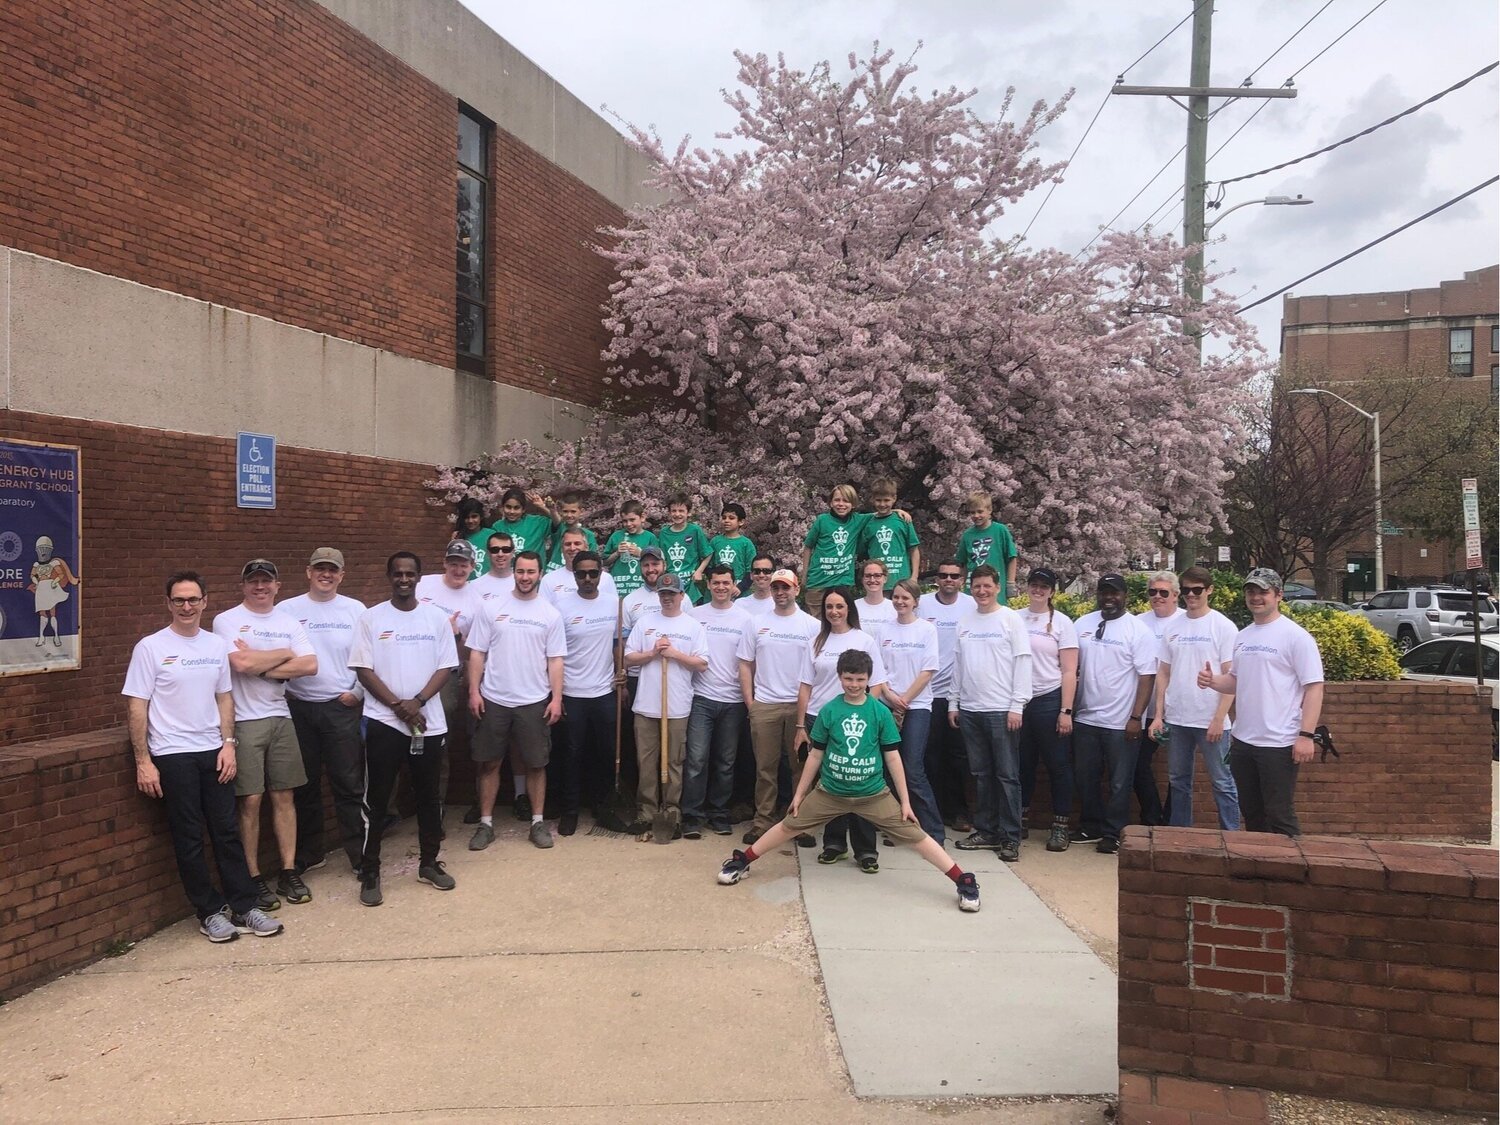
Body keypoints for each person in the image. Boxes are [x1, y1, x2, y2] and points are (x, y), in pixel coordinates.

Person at [716, 650, 981, 915]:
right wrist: (799, 794)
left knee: (915, 835)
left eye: (860, 679)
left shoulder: (879, 712)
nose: (854, 685)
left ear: (869, 679)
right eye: (848, 679)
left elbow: (893, 759)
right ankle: (743, 860)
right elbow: (815, 755)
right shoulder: (830, 710)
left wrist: (905, 801)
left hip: (873, 794)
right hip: (830, 792)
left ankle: (963, 880)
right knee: (789, 825)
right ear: (840, 677)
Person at [123, 571, 283, 942]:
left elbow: (225, 697)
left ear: (205, 602)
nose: (186, 606)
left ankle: (245, 906)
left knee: (227, 832)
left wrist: (229, 743)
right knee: (189, 836)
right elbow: (137, 706)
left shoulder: (215, 645)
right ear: (168, 604)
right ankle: (210, 911)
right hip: (173, 755)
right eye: (179, 600)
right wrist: (143, 760)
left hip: (214, 751)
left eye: (193, 599)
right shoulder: (151, 647)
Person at [347, 552, 460, 906]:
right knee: (378, 799)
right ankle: (371, 872)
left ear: (419, 577)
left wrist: (419, 702)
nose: (404, 579)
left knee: (429, 797)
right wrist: (399, 705)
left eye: (410, 574)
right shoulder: (371, 618)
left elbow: (446, 667)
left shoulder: (436, 619)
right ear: (389, 576)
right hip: (384, 722)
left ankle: (429, 863)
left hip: (428, 723)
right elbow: (363, 669)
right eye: (397, 574)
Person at [212, 559, 317, 911]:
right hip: (243, 720)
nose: (260, 587)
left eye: (266, 581)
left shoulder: (288, 621)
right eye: (253, 581)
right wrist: (285, 654)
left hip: (280, 716)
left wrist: (263, 661)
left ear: (277, 585)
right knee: (251, 801)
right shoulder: (226, 620)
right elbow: (239, 664)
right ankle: (253, 877)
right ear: (243, 586)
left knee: (284, 796)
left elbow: (310, 665)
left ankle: (287, 871)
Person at [1198, 568, 1324, 838]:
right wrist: (1213, 681)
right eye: (1251, 591)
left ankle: (1292, 872)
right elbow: (1236, 681)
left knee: (1279, 814)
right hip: (1244, 742)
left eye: (1263, 591)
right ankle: (1262, 870)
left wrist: (1305, 735)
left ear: (1278, 595)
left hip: (1278, 743)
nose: (1256, 597)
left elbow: (1313, 687)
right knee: (1252, 812)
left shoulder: (1296, 637)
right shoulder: (1243, 636)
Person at [467, 550, 567, 850]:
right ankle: (486, 825)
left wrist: (556, 698)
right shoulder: (492, 607)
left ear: (539, 574)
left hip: (534, 700)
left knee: (537, 764)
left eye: (531, 572)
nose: (525, 577)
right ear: (514, 571)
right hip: (494, 698)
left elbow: (556, 660)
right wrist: (474, 690)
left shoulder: (550, 613)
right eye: (521, 571)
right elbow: (476, 652)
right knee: (489, 764)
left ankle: (537, 823)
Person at [279, 548, 368, 876]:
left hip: (339, 709)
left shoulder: (355, 610)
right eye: (320, 568)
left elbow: (368, 654)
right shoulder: (287, 610)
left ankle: (359, 854)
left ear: (341, 575)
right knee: (305, 785)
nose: (325, 575)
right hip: (299, 708)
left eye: (332, 570)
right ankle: (310, 852)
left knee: (348, 783)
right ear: (308, 571)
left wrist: (356, 693)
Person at [797, 588, 888, 868]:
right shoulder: (815, 642)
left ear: (849, 607)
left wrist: (867, 715)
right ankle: (834, 843)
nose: (834, 611)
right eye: (828, 607)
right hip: (819, 719)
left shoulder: (865, 640)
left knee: (859, 783)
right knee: (830, 783)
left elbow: (877, 684)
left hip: (856, 721)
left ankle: (865, 850)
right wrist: (800, 725)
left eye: (839, 606)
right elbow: (805, 685)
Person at [950, 565, 1033, 862]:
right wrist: (953, 702)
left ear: (997, 587)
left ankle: (1010, 837)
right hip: (971, 710)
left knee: (1007, 776)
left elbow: (1023, 663)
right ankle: (986, 831)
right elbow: (958, 665)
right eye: (977, 586)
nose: (982, 591)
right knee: (982, 775)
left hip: (1002, 710)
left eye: (987, 586)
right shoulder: (965, 622)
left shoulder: (1010, 620)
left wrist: (1017, 705)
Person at [1072, 573, 1157, 855]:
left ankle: (1113, 832)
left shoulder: (1137, 630)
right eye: (1104, 592)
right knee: (1086, 777)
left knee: (1121, 781)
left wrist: (1136, 718)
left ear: (1125, 596)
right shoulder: (1082, 624)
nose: (1109, 597)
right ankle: (1090, 826)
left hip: (1121, 722)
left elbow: (1147, 677)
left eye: (1115, 593)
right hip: (1085, 718)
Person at [1151, 567, 1240, 831]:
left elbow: (1231, 676)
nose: (1191, 595)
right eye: (1187, 590)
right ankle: (1181, 835)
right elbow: (1163, 672)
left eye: (1197, 590)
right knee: (1178, 781)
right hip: (1177, 720)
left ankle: (1231, 836)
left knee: (1222, 782)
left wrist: (1218, 718)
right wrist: (1158, 715)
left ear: (1209, 590)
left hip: (1211, 721)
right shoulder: (1173, 626)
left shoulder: (1223, 626)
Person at [737, 568, 821, 844]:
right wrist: (751, 703)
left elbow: (818, 669)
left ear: (797, 589)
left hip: (799, 707)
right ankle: (762, 821)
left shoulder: (811, 625)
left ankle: (799, 823)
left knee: (800, 767)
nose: (780, 592)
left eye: (786, 587)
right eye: (776, 588)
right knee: (765, 767)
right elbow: (745, 664)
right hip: (766, 705)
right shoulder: (756, 623)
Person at [624, 573, 710, 835]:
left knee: (675, 761)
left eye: (672, 593)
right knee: (646, 761)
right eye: (663, 593)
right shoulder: (645, 623)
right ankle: (647, 811)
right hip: (646, 705)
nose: (667, 598)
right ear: (658, 595)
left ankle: (672, 810)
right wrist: (652, 653)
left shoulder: (692, 626)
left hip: (677, 705)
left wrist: (675, 654)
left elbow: (703, 663)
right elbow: (628, 658)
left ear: (682, 595)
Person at [552, 551, 620, 836]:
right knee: (571, 755)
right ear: (574, 575)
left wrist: (621, 678)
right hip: (572, 692)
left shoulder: (614, 603)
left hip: (604, 690)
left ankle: (602, 805)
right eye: (582, 574)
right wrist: (556, 694)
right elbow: (554, 653)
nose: (588, 578)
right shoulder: (561, 606)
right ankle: (569, 810)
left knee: (606, 752)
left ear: (601, 574)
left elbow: (618, 643)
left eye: (594, 573)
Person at [682, 564, 753, 838]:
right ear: (708, 585)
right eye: (716, 582)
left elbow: (749, 661)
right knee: (697, 759)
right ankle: (692, 815)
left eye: (726, 582)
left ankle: (719, 813)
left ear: (733, 584)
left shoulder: (745, 618)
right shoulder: (695, 615)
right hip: (701, 698)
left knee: (726, 761)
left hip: (733, 700)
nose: (721, 587)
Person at [414, 540, 482, 813]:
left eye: (463, 564)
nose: (458, 569)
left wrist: (456, 636)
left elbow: (474, 650)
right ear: (444, 563)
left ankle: (435, 808)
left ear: (472, 567)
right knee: (395, 736)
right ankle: (391, 812)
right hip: (410, 667)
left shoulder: (476, 601)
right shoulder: (423, 585)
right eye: (453, 562)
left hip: (446, 677)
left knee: (439, 739)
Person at [1016, 567, 1078, 852]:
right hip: (1020, 701)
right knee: (1022, 764)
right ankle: (1020, 819)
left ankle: (1060, 826)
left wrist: (1065, 711)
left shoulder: (1063, 624)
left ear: (1052, 591)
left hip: (1050, 699)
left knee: (1058, 766)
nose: (1038, 590)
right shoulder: (1015, 619)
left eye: (1044, 586)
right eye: (1034, 584)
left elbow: (1069, 671)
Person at [878, 578, 943, 845]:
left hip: (917, 706)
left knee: (913, 767)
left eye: (906, 598)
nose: (900, 602)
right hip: (887, 704)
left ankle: (933, 831)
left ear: (915, 601)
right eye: (896, 597)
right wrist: (891, 697)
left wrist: (905, 699)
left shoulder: (926, 630)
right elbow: (877, 671)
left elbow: (928, 671)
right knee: (888, 769)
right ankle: (898, 828)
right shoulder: (883, 630)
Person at [920, 561, 976, 831]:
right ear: (937, 580)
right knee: (929, 756)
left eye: (954, 576)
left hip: (959, 695)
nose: (948, 580)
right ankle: (931, 813)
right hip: (927, 694)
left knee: (957, 757)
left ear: (962, 580)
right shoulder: (922, 604)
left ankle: (958, 811)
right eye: (943, 576)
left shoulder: (971, 605)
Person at [1132, 571, 1184, 826]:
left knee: (1179, 770)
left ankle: (1171, 820)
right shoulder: (1137, 622)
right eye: (1153, 592)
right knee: (1137, 765)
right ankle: (1152, 816)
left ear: (1175, 595)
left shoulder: (1187, 621)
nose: (1158, 597)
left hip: (1177, 710)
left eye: (1164, 592)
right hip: (1145, 709)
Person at [800, 484, 867, 619]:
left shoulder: (858, 520)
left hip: (841, 581)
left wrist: (899, 512)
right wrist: (804, 574)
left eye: (846, 500)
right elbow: (808, 546)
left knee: (839, 620)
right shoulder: (822, 520)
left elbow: (883, 513)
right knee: (815, 623)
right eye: (837, 500)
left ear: (853, 504)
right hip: (818, 581)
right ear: (830, 502)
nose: (841, 504)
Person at [856, 478, 920, 590]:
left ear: (894, 498)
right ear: (872, 499)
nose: (882, 504)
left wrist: (914, 577)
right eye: (878, 500)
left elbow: (914, 549)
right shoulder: (868, 523)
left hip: (902, 581)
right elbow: (861, 550)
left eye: (886, 500)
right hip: (877, 583)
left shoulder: (903, 520)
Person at [956, 491, 1018, 600]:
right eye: (972, 512)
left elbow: (1012, 557)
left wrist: (1010, 583)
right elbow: (963, 563)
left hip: (995, 586)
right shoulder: (967, 535)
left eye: (980, 511)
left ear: (989, 510)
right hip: (972, 588)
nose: (976, 516)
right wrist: (961, 583)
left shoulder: (1000, 530)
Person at [656, 493, 711, 605]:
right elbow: (661, 558)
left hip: (691, 585)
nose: (677, 514)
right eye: (674, 511)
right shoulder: (664, 533)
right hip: (671, 584)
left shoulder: (695, 530)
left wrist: (699, 571)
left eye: (681, 511)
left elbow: (708, 553)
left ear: (688, 512)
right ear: (669, 512)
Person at [28, 534, 80, 648]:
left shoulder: (53, 563)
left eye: (45, 549)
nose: (43, 552)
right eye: (41, 549)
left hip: (50, 587)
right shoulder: (36, 565)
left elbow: (61, 574)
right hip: (41, 588)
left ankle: (56, 636)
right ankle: (41, 637)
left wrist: (55, 581)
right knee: (42, 612)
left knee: (52, 612)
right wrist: (36, 581)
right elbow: (32, 575)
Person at [543, 526, 617, 602]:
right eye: (568, 544)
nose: (572, 548)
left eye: (577, 543)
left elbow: (613, 607)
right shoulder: (549, 580)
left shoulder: (606, 579)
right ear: (562, 549)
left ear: (586, 547)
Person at [603, 500, 659, 598]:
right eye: (625, 521)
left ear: (642, 517)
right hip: (620, 586)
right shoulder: (616, 536)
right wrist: (617, 553)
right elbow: (605, 561)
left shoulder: (650, 537)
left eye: (632, 520)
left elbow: (658, 561)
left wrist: (641, 553)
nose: (628, 524)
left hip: (641, 585)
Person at [697, 503, 756, 593]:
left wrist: (740, 587)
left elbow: (751, 570)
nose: (726, 521)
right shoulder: (715, 541)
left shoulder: (746, 544)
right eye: (724, 518)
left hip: (738, 590)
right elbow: (708, 566)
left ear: (741, 521)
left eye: (731, 518)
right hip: (717, 588)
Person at [545, 490, 599, 572]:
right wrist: (552, 509)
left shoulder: (589, 535)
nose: (569, 515)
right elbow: (556, 519)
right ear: (560, 512)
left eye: (573, 511)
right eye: (565, 511)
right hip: (553, 572)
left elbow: (592, 559)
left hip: (575, 574)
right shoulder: (559, 528)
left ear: (581, 511)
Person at [491, 486, 554, 557]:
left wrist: (542, 507)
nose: (512, 511)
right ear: (503, 507)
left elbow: (561, 524)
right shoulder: (497, 526)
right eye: (508, 507)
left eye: (516, 508)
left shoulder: (537, 522)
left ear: (523, 509)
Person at [855, 558, 897, 646]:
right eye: (867, 576)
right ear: (862, 579)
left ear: (885, 578)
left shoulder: (895, 607)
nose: (872, 580)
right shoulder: (854, 606)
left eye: (877, 575)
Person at [455, 498, 494, 579]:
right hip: (465, 584)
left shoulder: (491, 535)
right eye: (467, 517)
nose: (470, 520)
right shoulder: (458, 537)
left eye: (474, 516)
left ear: (481, 517)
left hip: (487, 583)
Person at [738, 553, 778, 617]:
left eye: (766, 571)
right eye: (757, 571)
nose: (761, 575)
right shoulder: (739, 605)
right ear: (751, 575)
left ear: (774, 574)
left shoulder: (782, 604)